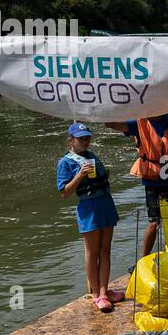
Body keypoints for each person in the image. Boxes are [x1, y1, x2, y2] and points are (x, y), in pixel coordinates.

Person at [104, 114, 168, 256]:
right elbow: (110, 123)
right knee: (154, 222)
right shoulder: (138, 123)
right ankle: (144, 259)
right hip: (153, 180)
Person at [55, 122, 122, 312]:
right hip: (89, 207)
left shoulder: (92, 156)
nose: (85, 141)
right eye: (81, 138)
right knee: (92, 253)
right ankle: (96, 295)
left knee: (105, 250)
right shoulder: (66, 162)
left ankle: (104, 290)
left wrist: (104, 175)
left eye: (87, 138)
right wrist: (79, 175)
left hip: (105, 204)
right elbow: (64, 192)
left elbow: (99, 179)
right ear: (70, 140)